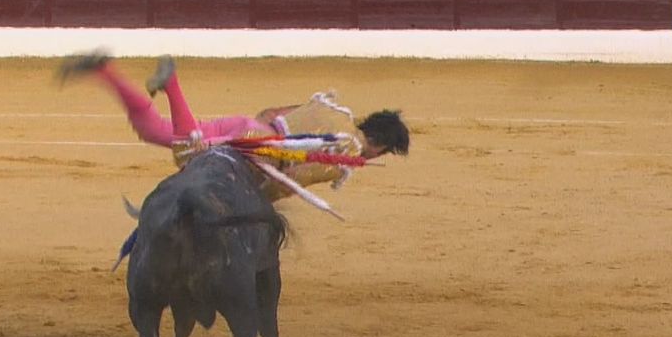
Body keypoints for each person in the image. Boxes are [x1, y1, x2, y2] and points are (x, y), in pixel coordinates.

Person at [58, 51, 410, 204]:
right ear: (380, 147)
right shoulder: (347, 152)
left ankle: (106, 72)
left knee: (157, 132)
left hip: (249, 126)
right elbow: (291, 178)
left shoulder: (331, 108)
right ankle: (173, 84)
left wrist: (251, 131)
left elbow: (271, 111)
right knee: (187, 152)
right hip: (255, 154)